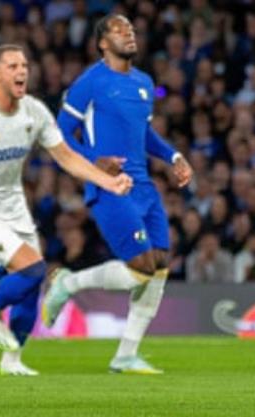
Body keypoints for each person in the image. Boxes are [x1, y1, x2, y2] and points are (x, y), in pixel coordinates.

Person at [0, 44, 133, 376]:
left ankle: (12, 360)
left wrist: (107, 182)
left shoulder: (34, 112)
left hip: (14, 206)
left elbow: (65, 157)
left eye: (24, 65)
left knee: (32, 286)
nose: (21, 71)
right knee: (34, 268)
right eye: (12, 66)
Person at [42, 14, 193, 374]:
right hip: (109, 185)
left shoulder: (143, 83)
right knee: (140, 268)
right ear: (102, 43)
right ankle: (67, 282)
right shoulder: (90, 82)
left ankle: (125, 355)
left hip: (144, 186)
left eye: (131, 28)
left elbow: (145, 134)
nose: (129, 33)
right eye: (119, 29)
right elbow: (60, 132)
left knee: (158, 267)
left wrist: (173, 156)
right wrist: (97, 160)